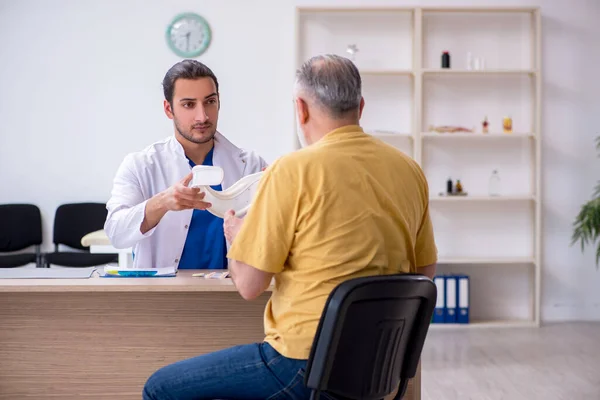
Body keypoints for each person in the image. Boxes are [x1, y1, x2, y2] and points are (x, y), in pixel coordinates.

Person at [142, 54, 437, 399]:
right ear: (360, 106)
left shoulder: (292, 169)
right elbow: (424, 273)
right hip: (380, 364)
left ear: (301, 109)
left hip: (302, 364)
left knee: (160, 388)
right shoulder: (409, 170)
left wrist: (238, 239)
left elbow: (250, 286)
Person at [104, 60, 267, 270]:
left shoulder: (250, 165)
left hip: (230, 294)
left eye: (210, 101)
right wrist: (162, 202)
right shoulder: (141, 165)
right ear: (168, 109)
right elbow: (117, 233)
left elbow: (272, 236)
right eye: (189, 104)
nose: (203, 116)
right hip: (164, 296)